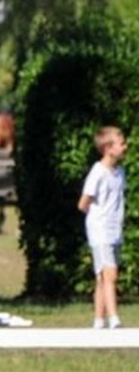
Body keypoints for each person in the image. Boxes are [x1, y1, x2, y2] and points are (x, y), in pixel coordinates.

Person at [77, 126, 127, 329]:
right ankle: (114, 318)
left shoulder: (119, 173)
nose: (125, 147)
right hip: (101, 229)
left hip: (115, 229)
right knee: (110, 274)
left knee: (102, 277)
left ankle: (99, 319)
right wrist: (98, 219)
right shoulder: (98, 172)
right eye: (121, 143)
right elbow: (83, 203)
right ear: (108, 148)